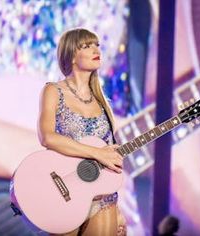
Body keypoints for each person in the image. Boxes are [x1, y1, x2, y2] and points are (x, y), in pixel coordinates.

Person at [38, 28, 127, 235]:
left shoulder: (102, 101)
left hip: (102, 198)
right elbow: (47, 137)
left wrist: (118, 212)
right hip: (65, 193)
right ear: (71, 56)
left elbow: (108, 160)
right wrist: (97, 153)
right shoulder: (54, 90)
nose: (96, 49)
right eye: (87, 46)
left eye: (97, 44)